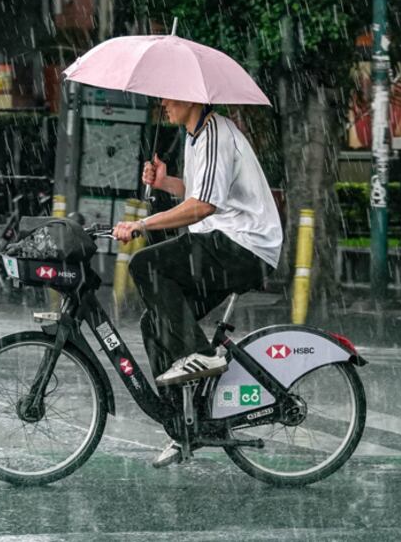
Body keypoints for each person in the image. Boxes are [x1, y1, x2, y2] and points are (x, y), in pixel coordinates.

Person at [113, 98, 282, 467]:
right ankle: (187, 424)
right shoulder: (195, 136)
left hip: (243, 244)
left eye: (169, 96)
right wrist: (165, 181)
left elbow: (203, 205)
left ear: (191, 97)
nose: (162, 104)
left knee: (145, 264)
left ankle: (202, 355)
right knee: (154, 322)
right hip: (222, 243)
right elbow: (198, 189)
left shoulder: (216, 132)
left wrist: (142, 224)